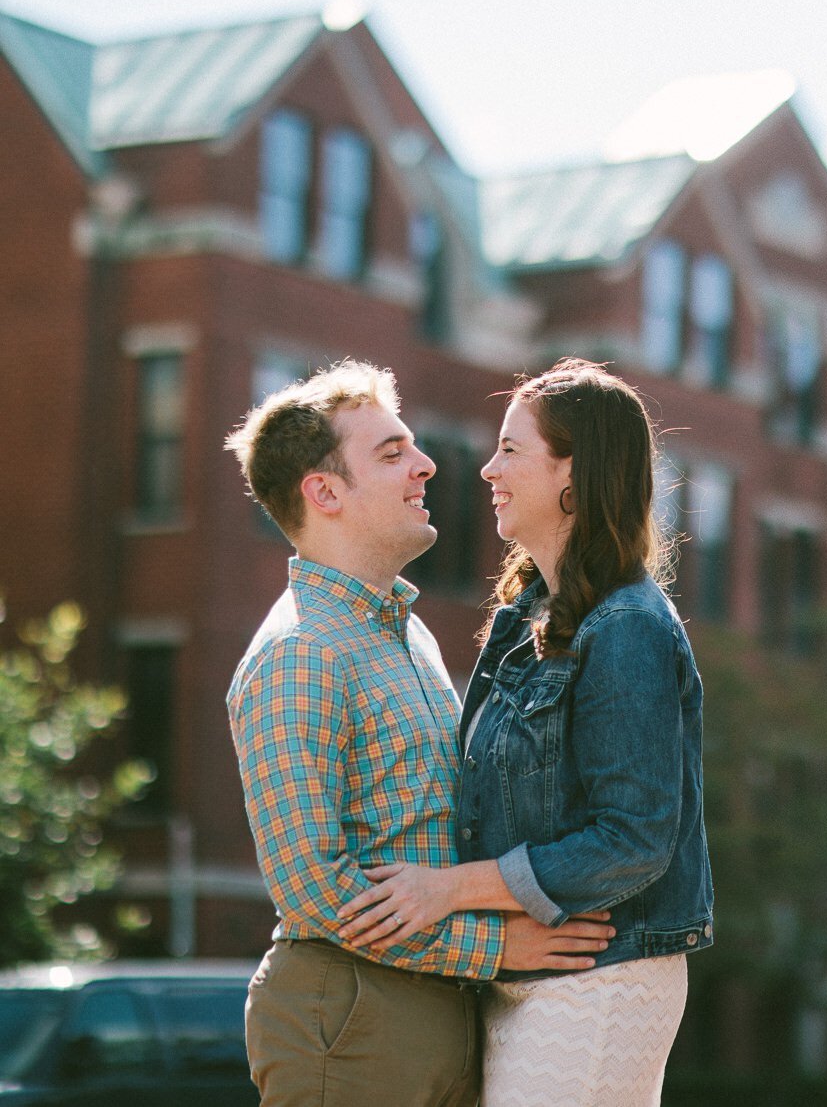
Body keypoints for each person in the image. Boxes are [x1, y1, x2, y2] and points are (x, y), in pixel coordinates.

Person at [226, 360, 616, 1107]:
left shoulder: (408, 637)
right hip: (352, 1014)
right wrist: (495, 946)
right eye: (391, 451)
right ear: (325, 492)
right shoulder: (300, 651)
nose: (427, 463)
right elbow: (314, 890)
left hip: (436, 1007)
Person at [337, 358, 713, 1107]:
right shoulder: (523, 620)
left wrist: (447, 890)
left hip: (603, 976)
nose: (487, 470)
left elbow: (636, 838)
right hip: (519, 973)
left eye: (511, 449)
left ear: (576, 473)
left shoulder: (628, 626)